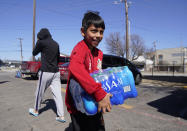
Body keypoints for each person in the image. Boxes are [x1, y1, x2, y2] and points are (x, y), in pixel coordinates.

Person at [65, 11, 112, 131]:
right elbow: (75, 67)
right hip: (78, 106)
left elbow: (97, 76)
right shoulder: (81, 48)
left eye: (101, 32)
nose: (98, 35)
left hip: (93, 102)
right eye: (94, 31)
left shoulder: (99, 53)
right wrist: (99, 93)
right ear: (83, 31)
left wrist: (105, 92)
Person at [29, 28, 66, 123]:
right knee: (58, 94)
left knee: (39, 92)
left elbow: (34, 53)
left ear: (41, 35)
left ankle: (36, 110)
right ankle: (61, 116)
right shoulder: (56, 43)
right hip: (56, 72)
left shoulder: (41, 42)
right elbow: (58, 58)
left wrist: (38, 41)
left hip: (45, 71)